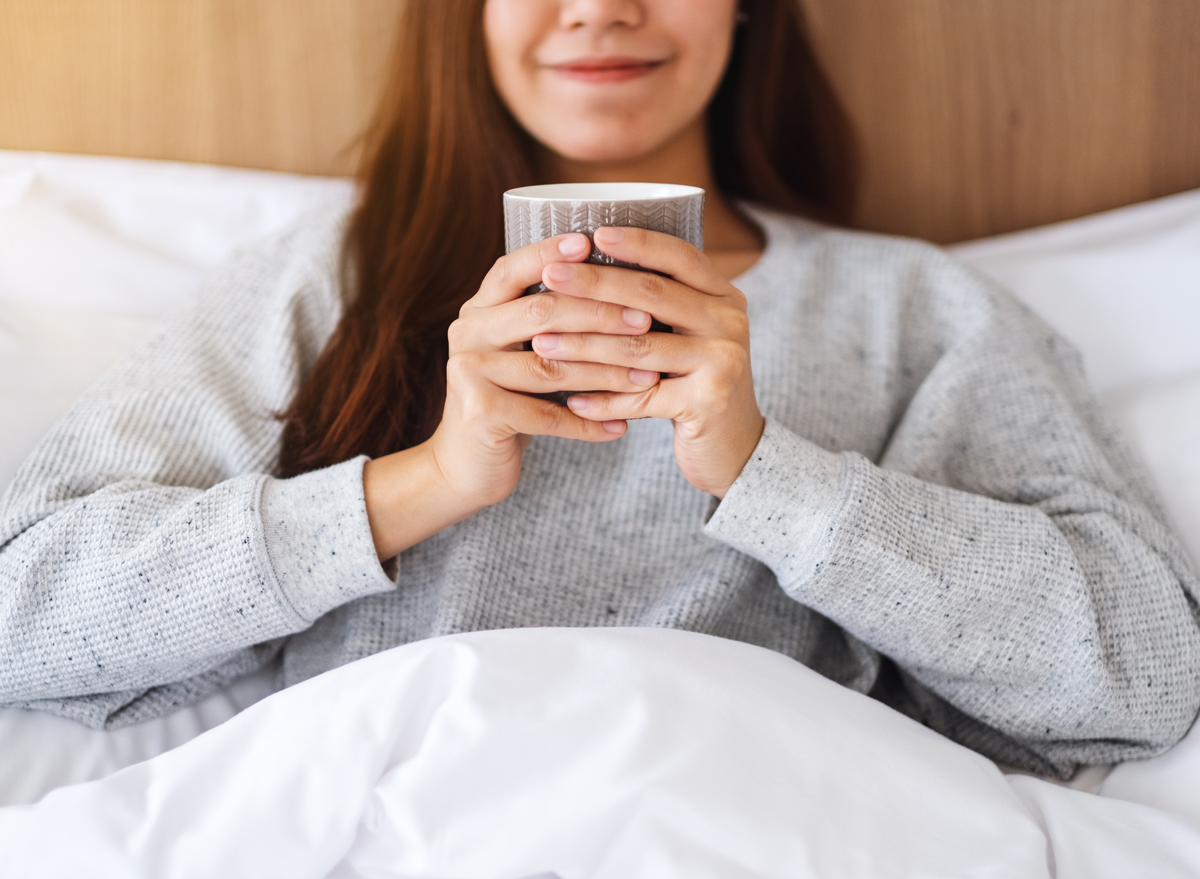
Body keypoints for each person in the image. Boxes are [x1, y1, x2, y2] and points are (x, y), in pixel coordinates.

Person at [1, 0, 1197, 780]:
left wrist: (765, 473)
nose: (601, 9)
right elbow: (26, 617)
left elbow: (1144, 671)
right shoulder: (329, 284)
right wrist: (421, 484)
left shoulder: (916, 312)